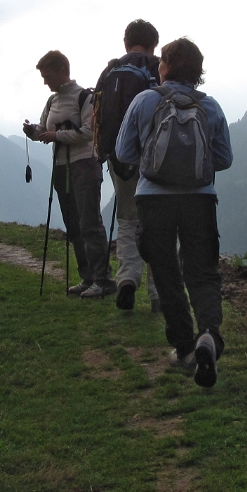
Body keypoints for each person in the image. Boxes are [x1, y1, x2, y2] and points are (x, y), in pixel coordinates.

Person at [115, 38, 232, 387]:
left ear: (164, 66)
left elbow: (123, 151)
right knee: (202, 271)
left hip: (153, 200)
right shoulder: (210, 107)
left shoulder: (145, 100)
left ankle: (183, 348)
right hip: (200, 199)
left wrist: (155, 164)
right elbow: (224, 158)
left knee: (165, 271)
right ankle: (209, 334)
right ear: (198, 71)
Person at [23, 50, 114, 299]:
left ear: (62, 71)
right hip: (61, 167)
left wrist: (56, 136)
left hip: (84, 163)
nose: (45, 81)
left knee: (89, 223)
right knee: (74, 224)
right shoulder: (52, 101)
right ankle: (88, 277)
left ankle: (103, 280)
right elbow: (45, 128)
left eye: (47, 75)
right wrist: (34, 131)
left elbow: (88, 132)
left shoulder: (85, 97)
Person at [93, 20, 161, 313]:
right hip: (153, 161)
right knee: (158, 224)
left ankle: (126, 280)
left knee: (127, 220)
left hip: (118, 159)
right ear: (153, 44)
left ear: (126, 43)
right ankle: (159, 293)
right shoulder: (158, 68)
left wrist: (104, 151)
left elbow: (96, 114)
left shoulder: (110, 71)